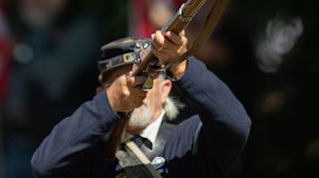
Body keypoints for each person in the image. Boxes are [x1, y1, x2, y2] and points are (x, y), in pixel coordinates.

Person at [31, 29, 251, 177]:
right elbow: (44, 165)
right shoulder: (89, 151)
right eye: (121, 82)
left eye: (146, 76)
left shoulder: (190, 139)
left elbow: (235, 124)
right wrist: (107, 105)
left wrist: (181, 66)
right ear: (103, 93)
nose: (134, 86)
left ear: (165, 90)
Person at [3, 0, 102, 177]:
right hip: (18, 144)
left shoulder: (81, 25)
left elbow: (57, 75)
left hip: (65, 146)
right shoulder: (18, 28)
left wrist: (20, 54)